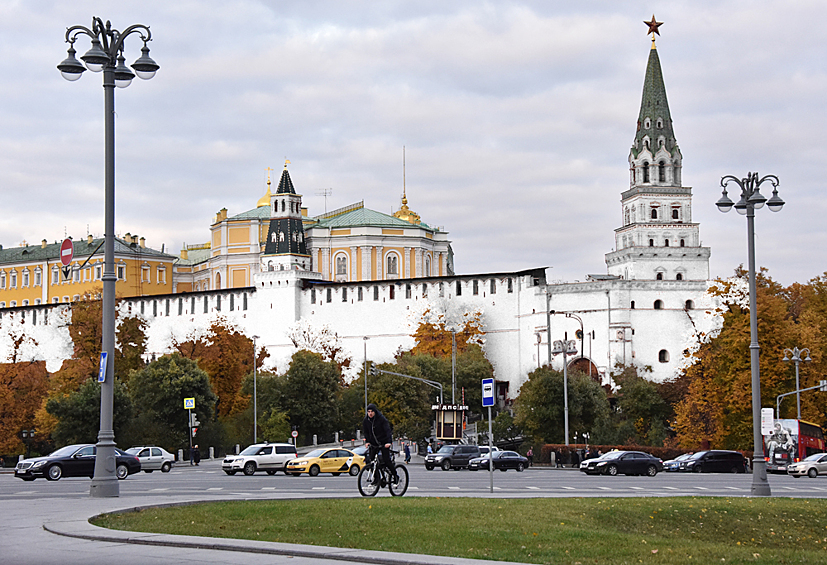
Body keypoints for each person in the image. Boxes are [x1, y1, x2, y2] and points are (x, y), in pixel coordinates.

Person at [362, 403, 399, 483]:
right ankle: (377, 478)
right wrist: (367, 441)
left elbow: (387, 430)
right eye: (368, 411)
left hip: (383, 442)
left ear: (375, 412)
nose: (370, 413)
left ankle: (395, 475)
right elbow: (366, 432)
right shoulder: (366, 421)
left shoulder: (381, 419)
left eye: (372, 411)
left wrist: (389, 442)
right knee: (370, 461)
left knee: (386, 460)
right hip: (374, 443)